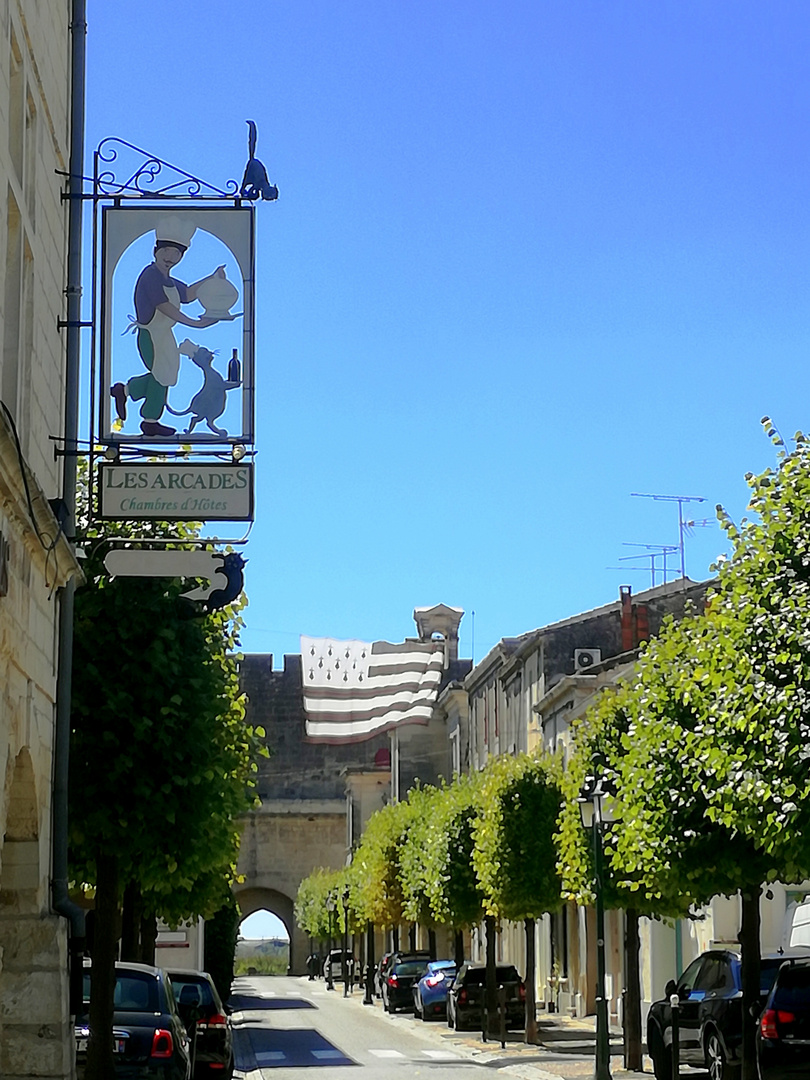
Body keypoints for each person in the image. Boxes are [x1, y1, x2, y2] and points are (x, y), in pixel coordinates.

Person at [111, 215, 233, 437]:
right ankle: (149, 419)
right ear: (156, 251)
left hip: (164, 335)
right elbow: (164, 306)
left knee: (166, 375)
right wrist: (195, 324)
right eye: (166, 251)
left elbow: (186, 294)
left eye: (176, 253)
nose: (170, 257)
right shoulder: (150, 276)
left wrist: (211, 278)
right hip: (150, 334)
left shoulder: (169, 279)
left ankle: (126, 391)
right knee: (162, 375)